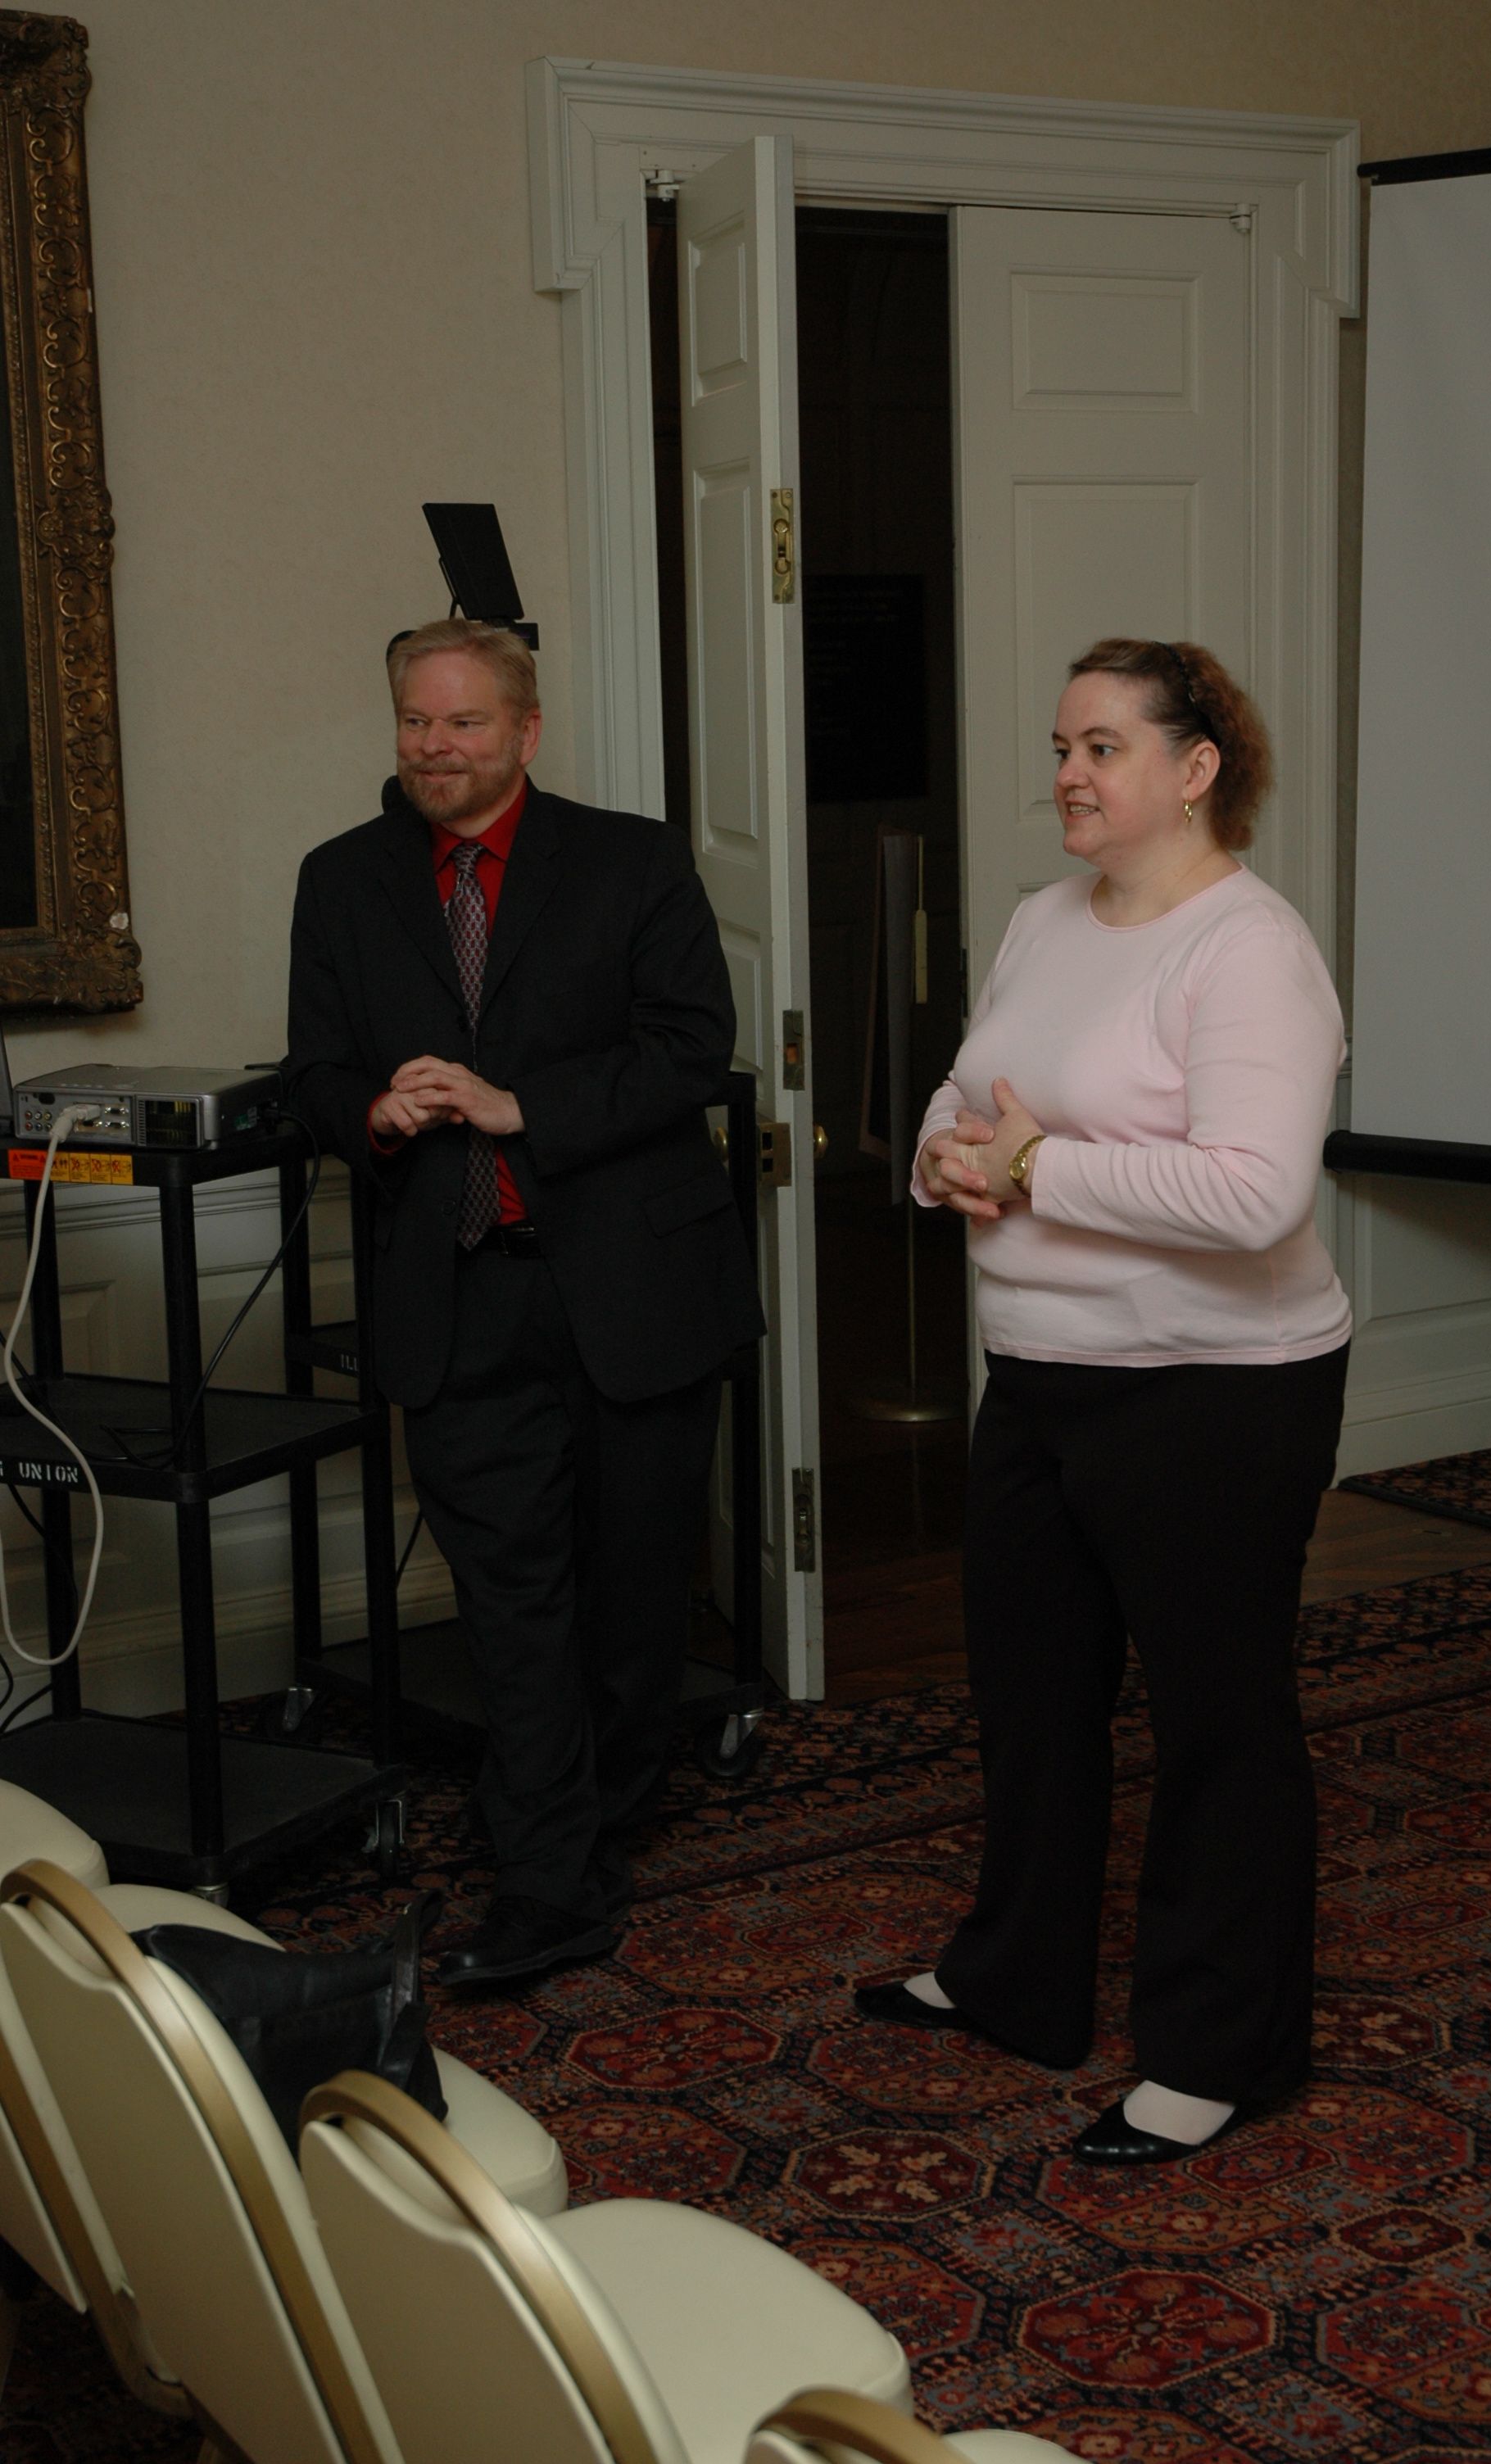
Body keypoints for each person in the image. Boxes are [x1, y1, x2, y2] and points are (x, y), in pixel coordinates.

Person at [854, 638, 1351, 2163]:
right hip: (1036, 1371)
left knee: (1217, 1724)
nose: (1067, 774)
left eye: (1103, 748)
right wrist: (945, 1157)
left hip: (1217, 1390)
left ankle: (1220, 2051)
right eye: (1062, 748)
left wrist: (1035, 1167)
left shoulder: (1248, 949)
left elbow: (1256, 1194)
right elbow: (968, 1093)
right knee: (1032, 1696)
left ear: (1196, 770)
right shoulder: (1041, 917)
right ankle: (1016, 1976)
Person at [285, 618, 762, 1987]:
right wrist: (371, 1114)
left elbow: (692, 1050)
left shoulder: (633, 860)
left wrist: (519, 1106)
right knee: (513, 1609)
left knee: (633, 1600)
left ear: (526, 731)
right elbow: (314, 1070)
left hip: (634, 1293)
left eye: (465, 723)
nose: (435, 747)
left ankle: (594, 1822)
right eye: (415, 723)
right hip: (459, 1298)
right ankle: (552, 1885)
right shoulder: (342, 879)